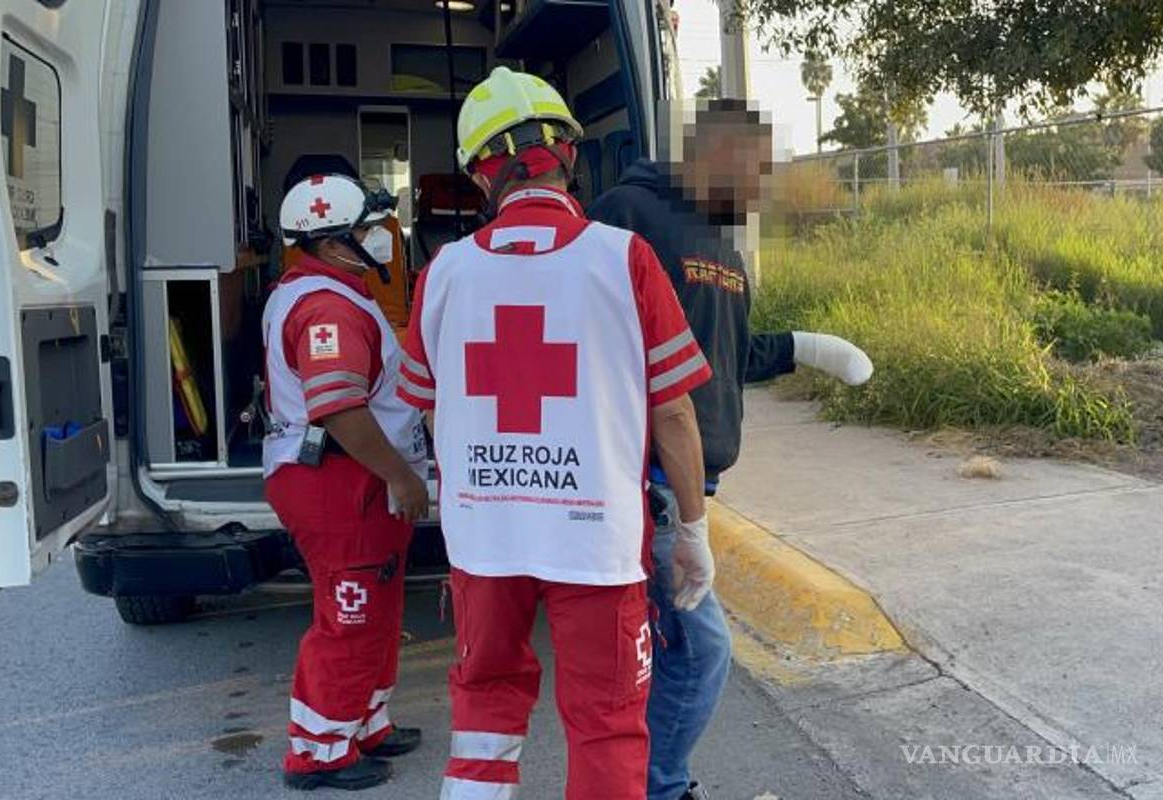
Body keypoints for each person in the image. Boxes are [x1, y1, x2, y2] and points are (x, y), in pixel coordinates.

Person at [398, 67, 715, 800]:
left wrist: (484, 485)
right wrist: (694, 529)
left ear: (481, 175)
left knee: (483, 705)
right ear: (568, 154)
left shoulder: (443, 273)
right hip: (595, 540)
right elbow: (673, 413)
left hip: (485, 538)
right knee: (607, 723)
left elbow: (430, 409)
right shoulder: (624, 258)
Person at [587, 98, 873, 800]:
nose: (761, 185)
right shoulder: (626, 213)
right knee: (702, 649)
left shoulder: (721, 242)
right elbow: (595, 341)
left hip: (691, 477)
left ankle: (643, 780)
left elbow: (724, 356)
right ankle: (657, 786)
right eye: (754, 168)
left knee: (663, 651)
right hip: (645, 477)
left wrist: (806, 348)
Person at [263, 173, 431, 791]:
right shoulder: (326, 309)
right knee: (351, 615)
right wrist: (401, 478)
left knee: (378, 608)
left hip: (354, 478)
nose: (383, 236)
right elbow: (337, 408)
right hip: (342, 481)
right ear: (334, 243)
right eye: (368, 228)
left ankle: (365, 722)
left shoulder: (328, 291)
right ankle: (318, 753)